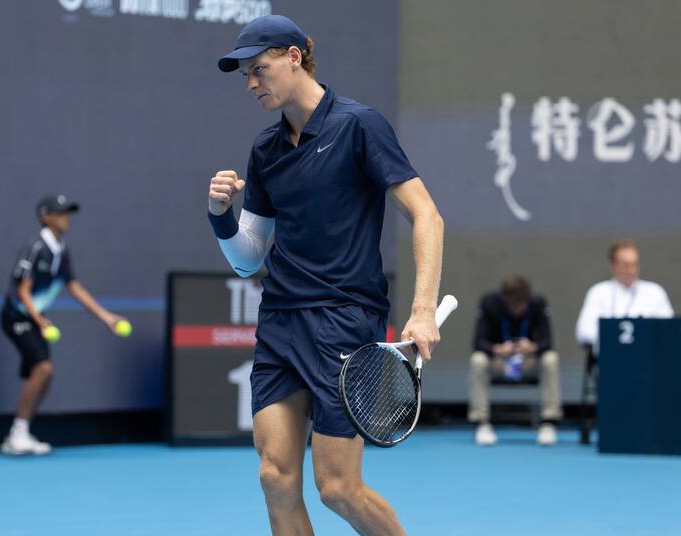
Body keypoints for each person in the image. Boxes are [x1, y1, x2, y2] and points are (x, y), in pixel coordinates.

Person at [207, 15, 444, 535]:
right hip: (280, 323)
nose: (251, 83)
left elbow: (426, 214)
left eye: (259, 69)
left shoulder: (359, 125)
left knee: (338, 488)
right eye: (245, 74)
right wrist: (221, 216)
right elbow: (248, 258)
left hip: (343, 321)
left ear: (294, 57)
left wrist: (423, 309)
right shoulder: (266, 149)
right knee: (274, 477)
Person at [0, 195, 127, 455]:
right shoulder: (36, 247)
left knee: (44, 376)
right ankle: (17, 435)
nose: (66, 217)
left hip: (37, 319)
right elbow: (23, 290)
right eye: (60, 213)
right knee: (43, 369)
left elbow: (74, 287)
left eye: (68, 212)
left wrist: (106, 317)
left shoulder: (62, 251)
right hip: (17, 316)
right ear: (45, 216)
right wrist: (40, 320)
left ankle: (22, 431)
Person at [468, 276, 562, 446]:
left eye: (520, 305)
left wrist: (531, 347)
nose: (517, 309)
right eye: (512, 305)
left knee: (550, 359)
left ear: (528, 300)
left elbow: (547, 342)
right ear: (505, 301)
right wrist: (498, 349)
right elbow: (478, 343)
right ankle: (481, 423)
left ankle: (549, 423)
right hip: (500, 362)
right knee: (478, 360)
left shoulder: (538, 304)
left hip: (527, 361)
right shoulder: (489, 303)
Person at [576, 239, 674, 349]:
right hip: (609, 354)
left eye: (635, 264)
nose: (631, 270)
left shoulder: (655, 292)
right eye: (626, 265)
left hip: (647, 353)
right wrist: (614, 339)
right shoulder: (599, 292)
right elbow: (585, 333)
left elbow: (668, 330)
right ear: (613, 266)